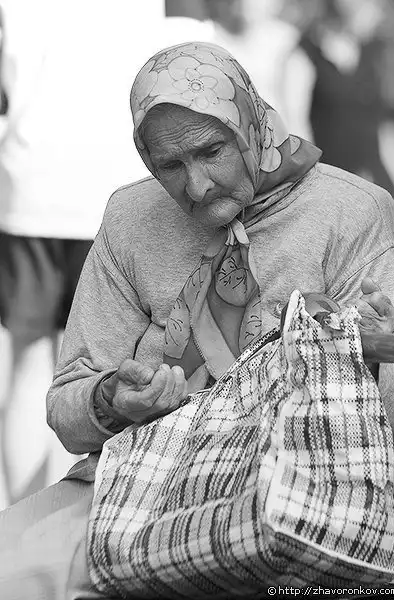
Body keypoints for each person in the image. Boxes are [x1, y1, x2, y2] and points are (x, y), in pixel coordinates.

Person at [0, 41, 394, 597]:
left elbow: (387, 434)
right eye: (169, 165)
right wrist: (112, 399)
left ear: (248, 128)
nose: (196, 185)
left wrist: (375, 361)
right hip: (139, 492)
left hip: (293, 499)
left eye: (211, 151)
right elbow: (67, 412)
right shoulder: (130, 219)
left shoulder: (350, 211)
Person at [0, 0, 214, 508]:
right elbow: (199, 70)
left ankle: (23, 518)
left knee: (31, 359)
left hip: (31, 191)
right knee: (112, 372)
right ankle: (74, 517)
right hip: (123, 194)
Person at [280, 0, 394, 197]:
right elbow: (296, 125)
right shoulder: (303, 54)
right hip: (333, 183)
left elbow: (381, 124)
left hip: (376, 180)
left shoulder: (368, 50)